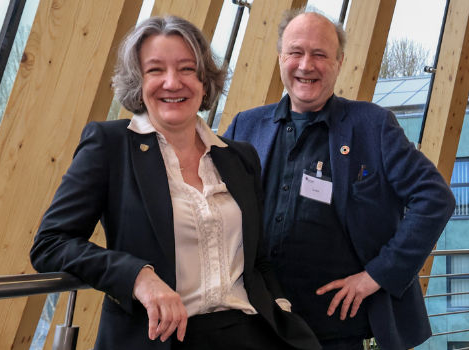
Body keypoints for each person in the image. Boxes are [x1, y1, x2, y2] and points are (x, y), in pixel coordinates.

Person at [30, 16, 320, 350]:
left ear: (205, 82)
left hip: (252, 334)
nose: (172, 83)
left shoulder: (240, 158)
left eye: (186, 69)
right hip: (158, 337)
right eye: (155, 70)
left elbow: (258, 261)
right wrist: (139, 276)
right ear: (138, 82)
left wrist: (281, 307)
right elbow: (51, 243)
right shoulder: (109, 146)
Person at [222, 8, 456, 350]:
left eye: (320, 54)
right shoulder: (245, 126)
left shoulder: (372, 126)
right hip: (256, 321)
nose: (306, 65)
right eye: (296, 52)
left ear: (339, 62)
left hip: (337, 329)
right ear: (280, 58)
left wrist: (378, 274)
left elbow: (435, 198)